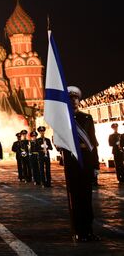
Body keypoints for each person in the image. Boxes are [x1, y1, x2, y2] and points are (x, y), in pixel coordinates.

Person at [64, 86, 100, 242]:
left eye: (75, 98)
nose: (73, 101)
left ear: (79, 100)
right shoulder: (64, 120)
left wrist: (96, 165)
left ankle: (89, 230)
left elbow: (93, 143)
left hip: (86, 162)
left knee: (87, 197)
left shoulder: (87, 118)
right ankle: (78, 230)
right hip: (72, 162)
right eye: (70, 99)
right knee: (75, 198)